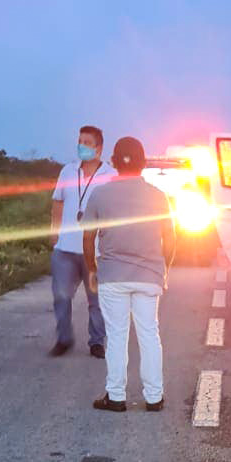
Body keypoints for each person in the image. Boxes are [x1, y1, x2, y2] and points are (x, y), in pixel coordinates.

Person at [82, 136, 174, 412]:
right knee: (149, 335)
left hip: (113, 276)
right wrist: (164, 268)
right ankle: (154, 397)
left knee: (117, 336)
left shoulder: (99, 194)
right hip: (148, 275)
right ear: (144, 163)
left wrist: (92, 270)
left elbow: (88, 238)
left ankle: (116, 396)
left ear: (113, 162)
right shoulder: (158, 196)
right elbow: (170, 238)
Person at [49, 125, 114, 358]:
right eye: (80, 141)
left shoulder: (110, 176)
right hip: (65, 248)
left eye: (87, 143)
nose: (82, 146)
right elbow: (57, 201)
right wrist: (53, 230)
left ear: (99, 148)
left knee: (96, 299)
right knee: (61, 295)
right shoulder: (68, 171)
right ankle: (63, 338)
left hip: (96, 251)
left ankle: (97, 342)